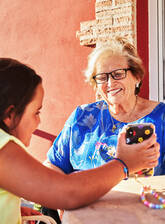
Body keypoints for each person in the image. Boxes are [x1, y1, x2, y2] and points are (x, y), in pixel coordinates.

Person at [0, 57, 159, 224]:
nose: (39, 121)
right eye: (36, 112)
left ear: (137, 78)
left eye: (118, 74)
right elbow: (67, 193)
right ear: (10, 115)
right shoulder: (4, 150)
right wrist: (124, 164)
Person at [46, 37, 165, 176]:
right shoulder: (81, 117)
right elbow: (53, 165)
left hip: (143, 197)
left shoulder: (161, 118)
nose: (110, 83)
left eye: (118, 74)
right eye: (102, 77)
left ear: (137, 76)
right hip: (84, 197)